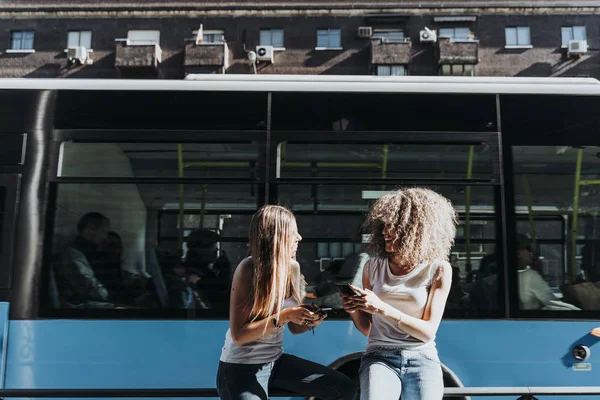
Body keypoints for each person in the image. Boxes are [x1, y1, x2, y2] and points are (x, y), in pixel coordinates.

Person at [216, 205, 357, 400]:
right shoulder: (248, 269)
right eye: (293, 232)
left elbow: (295, 329)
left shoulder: (292, 268)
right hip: (241, 368)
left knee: (345, 389)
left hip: (276, 363)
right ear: (277, 236)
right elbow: (239, 336)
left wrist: (309, 320)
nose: (299, 237)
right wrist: (286, 315)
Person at [341, 187, 458, 400]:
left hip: (422, 357)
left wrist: (382, 308)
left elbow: (427, 332)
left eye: (393, 226)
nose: (385, 231)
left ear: (416, 229)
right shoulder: (372, 267)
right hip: (379, 357)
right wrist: (354, 310)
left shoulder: (438, 269)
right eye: (384, 225)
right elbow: (368, 329)